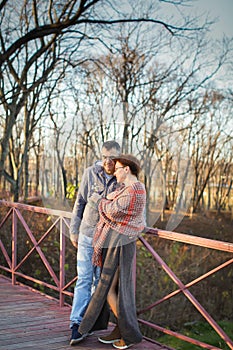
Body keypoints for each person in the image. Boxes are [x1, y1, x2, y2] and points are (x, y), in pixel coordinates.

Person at [78, 154, 147, 350]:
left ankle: (130, 333)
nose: (114, 172)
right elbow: (111, 207)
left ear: (127, 169)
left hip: (122, 243)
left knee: (110, 288)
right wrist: (105, 201)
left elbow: (113, 210)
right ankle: (119, 330)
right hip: (116, 240)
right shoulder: (126, 189)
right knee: (113, 288)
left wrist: (99, 201)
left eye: (117, 169)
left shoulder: (136, 189)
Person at [69, 140, 121, 346]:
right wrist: (74, 230)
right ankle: (76, 324)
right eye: (105, 157)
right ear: (101, 156)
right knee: (84, 278)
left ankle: (89, 323)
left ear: (119, 157)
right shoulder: (91, 173)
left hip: (108, 240)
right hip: (88, 235)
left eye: (113, 157)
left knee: (100, 282)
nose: (108, 161)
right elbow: (80, 202)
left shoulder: (122, 177)